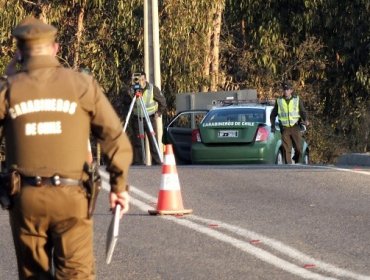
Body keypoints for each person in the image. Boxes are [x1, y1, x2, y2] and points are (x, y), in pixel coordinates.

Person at [0, 16, 132, 279]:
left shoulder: (9, 89)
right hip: (72, 197)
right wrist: (118, 187)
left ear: (19, 52)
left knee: (34, 275)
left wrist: (8, 73)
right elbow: (115, 139)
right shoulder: (81, 85)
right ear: (55, 48)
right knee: (76, 274)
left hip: (26, 198)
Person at [128, 72, 167, 165]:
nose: (140, 82)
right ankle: (138, 162)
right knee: (137, 142)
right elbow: (127, 102)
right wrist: (131, 92)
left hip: (150, 118)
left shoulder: (152, 89)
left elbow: (163, 101)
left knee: (153, 140)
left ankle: (157, 161)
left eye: (141, 79)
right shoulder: (133, 90)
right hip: (137, 119)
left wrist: (159, 113)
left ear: (145, 79)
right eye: (137, 80)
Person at [270, 81, 309, 164]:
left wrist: (305, 120)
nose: (286, 91)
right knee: (286, 149)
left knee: (299, 148)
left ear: (291, 90)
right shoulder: (279, 101)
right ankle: (289, 166)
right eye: (284, 89)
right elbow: (273, 115)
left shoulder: (296, 100)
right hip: (285, 128)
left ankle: (297, 162)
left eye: (287, 89)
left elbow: (302, 111)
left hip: (295, 127)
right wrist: (273, 125)